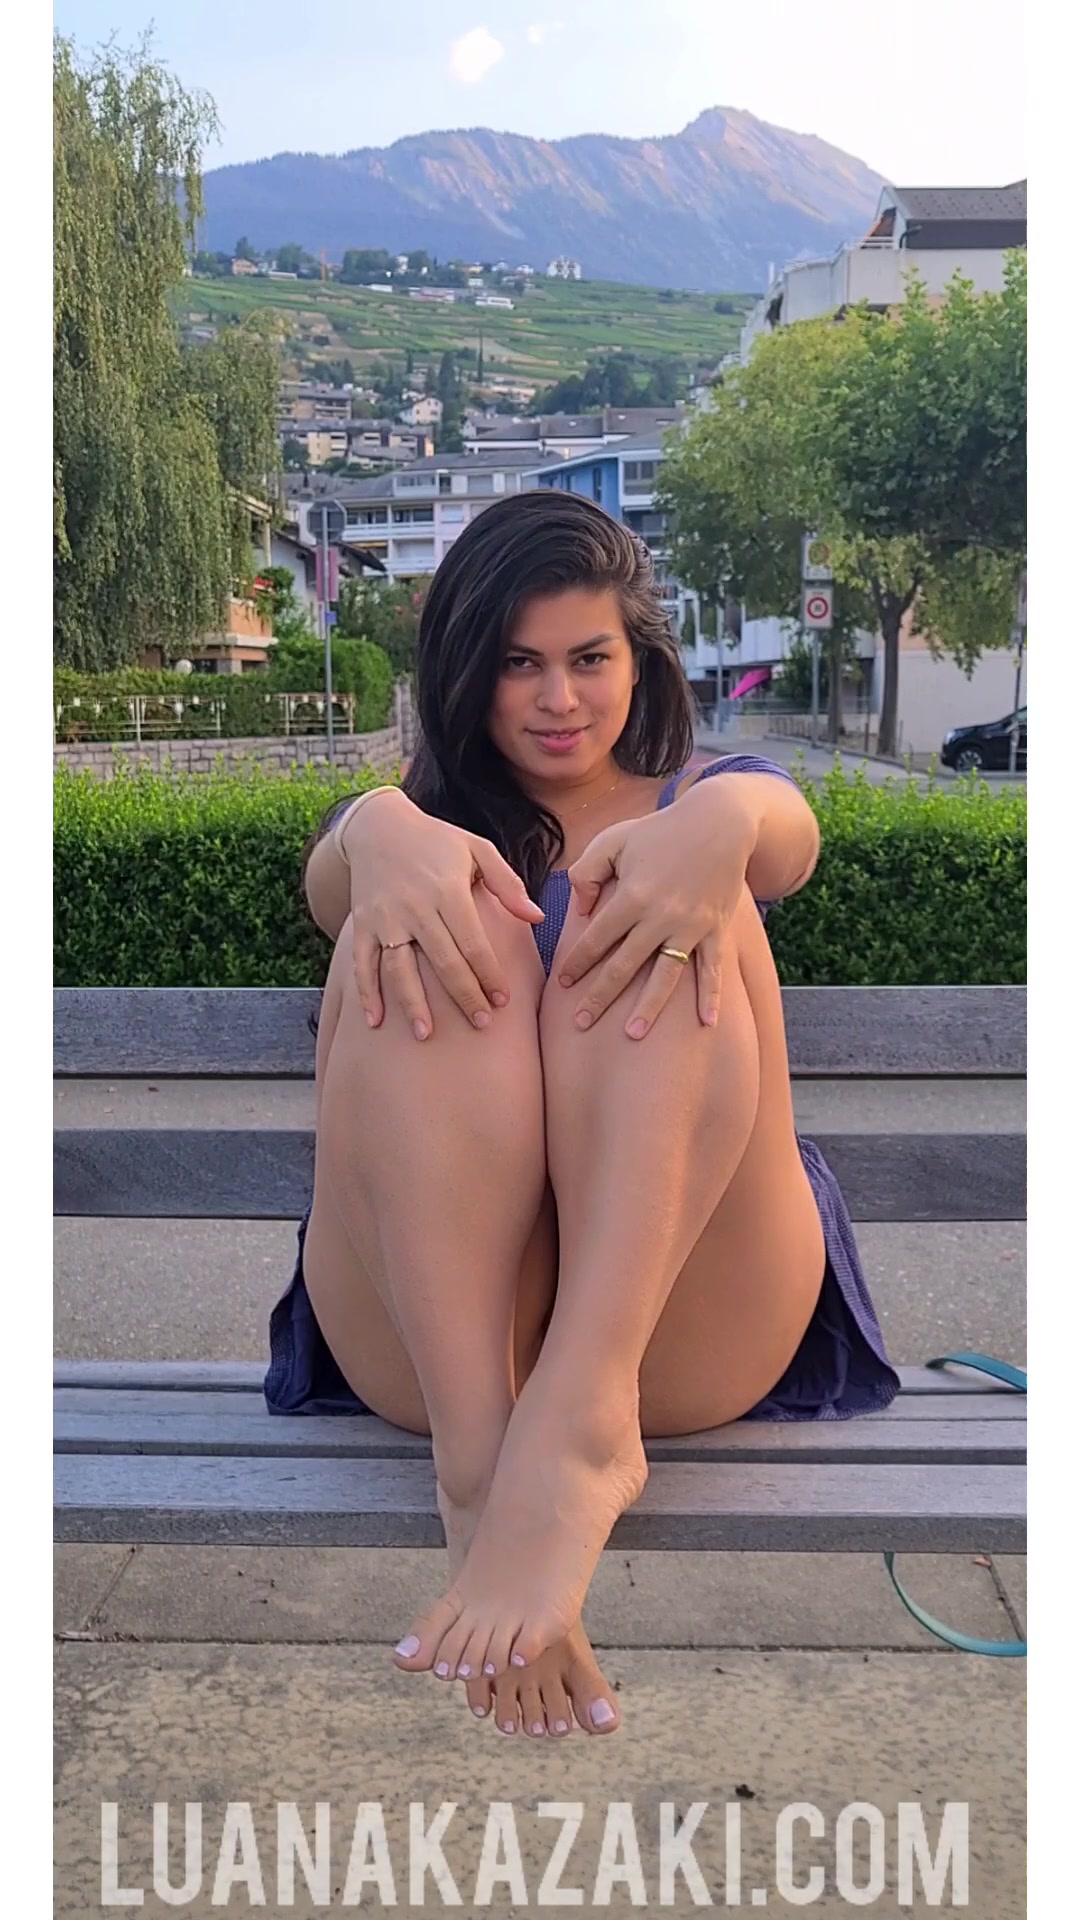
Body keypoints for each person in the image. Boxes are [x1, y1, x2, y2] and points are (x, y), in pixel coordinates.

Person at [265, 490, 899, 1739]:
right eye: (519, 663)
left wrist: (721, 819)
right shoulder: (416, 834)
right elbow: (329, 888)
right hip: (437, 1349)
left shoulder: (706, 800)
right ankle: (485, 1477)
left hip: (685, 1321)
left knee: (666, 893)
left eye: (589, 658)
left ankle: (580, 1426)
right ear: (468, 672)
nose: (558, 698)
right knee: (434, 914)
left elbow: (787, 836)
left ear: (640, 660)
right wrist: (379, 828)